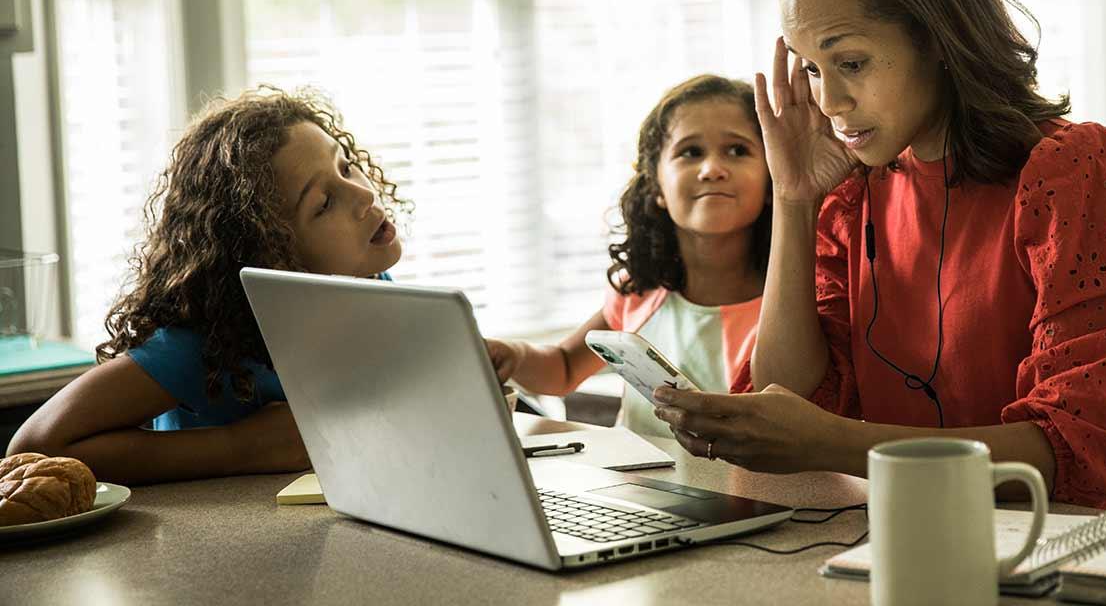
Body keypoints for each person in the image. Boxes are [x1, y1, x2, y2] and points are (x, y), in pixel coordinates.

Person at [651, 0, 1106, 509]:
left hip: (1067, 550)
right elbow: (786, 394)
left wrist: (836, 444)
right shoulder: (851, 195)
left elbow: (1078, 448)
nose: (829, 102)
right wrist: (793, 198)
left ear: (936, 39)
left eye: (850, 61)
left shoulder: (1076, 168)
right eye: (812, 70)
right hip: (906, 537)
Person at [8, 87, 409, 484]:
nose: (363, 194)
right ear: (270, 250)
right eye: (323, 203)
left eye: (346, 166)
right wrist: (241, 446)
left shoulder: (372, 286)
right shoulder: (210, 343)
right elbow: (34, 447)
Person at [487, 75, 772, 437]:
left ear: (771, 181)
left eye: (737, 150)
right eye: (690, 152)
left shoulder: (791, 304)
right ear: (656, 187)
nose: (712, 169)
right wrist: (514, 354)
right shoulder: (637, 290)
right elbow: (562, 369)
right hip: (637, 490)